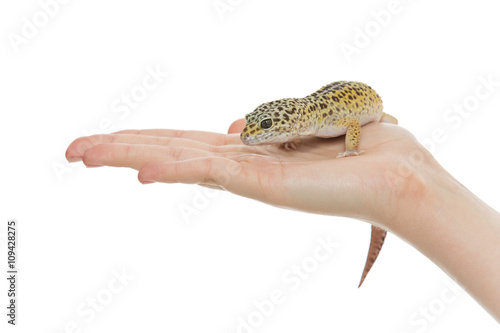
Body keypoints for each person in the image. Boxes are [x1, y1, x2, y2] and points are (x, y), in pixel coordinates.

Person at [65, 118, 500, 322]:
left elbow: (353, 122)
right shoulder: (303, 123)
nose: (254, 138)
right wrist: (408, 185)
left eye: (266, 129)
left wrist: (404, 175)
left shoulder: (331, 118)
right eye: (257, 128)